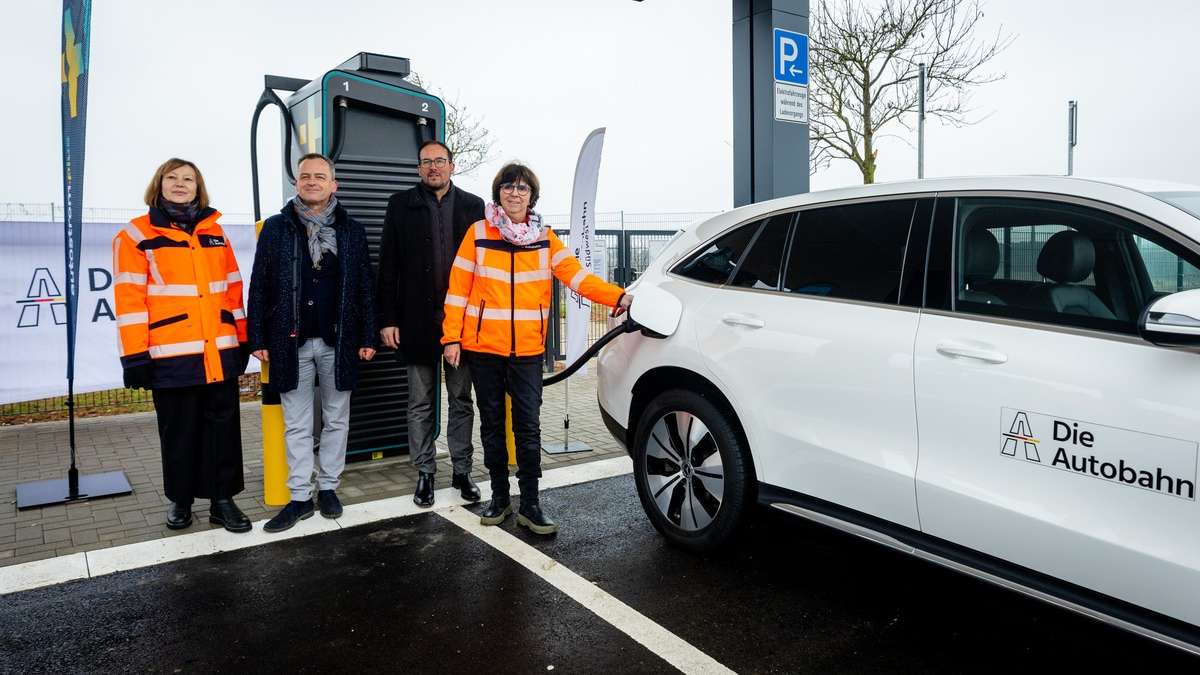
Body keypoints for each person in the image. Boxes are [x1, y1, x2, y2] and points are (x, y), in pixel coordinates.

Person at [442, 161, 633, 535]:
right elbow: (458, 289)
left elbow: (579, 277)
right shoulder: (478, 233)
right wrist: (451, 337)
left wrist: (619, 296)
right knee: (493, 426)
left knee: (528, 428)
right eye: (508, 187)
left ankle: (530, 503)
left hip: (527, 351)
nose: (515, 194)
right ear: (498, 193)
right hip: (483, 348)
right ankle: (500, 498)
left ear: (532, 196)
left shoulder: (546, 238)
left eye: (523, 188)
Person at [112, 158, 252, 533]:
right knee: (179, 432)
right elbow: (128, 300)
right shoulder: (135, 234)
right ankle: (181, 501)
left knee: (223, 430)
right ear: (159, 185)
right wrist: (134, 355)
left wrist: (242, 338)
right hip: (171, 355)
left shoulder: (216, 233)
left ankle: (223, 501)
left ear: (197, 187)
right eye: (172, 177)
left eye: (188, 179)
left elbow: (233, 291)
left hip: (219, 353)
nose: (180, 183)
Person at [247, 153, 378, 533]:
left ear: (334, 185)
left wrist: (369, 334)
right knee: (297, 424)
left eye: (321, 176)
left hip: (341, 341)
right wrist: (257, 336)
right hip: (291, 342)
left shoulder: (351, 230)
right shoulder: (275, 228)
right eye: (306, 176)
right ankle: (300, 497)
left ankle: (329, 488)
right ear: (297, 183)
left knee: (337, 419)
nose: (312, 182)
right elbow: (260, 285)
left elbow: (364, 286)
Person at [377, 141, 485, 507]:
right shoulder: (400, 204)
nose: (433, 167)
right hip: (416, 320)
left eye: (440, 161)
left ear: (452, 167)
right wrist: (388, 318)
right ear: (418, 169)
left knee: (460, 399)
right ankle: (424, 472)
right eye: (426, 162)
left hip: (462, 323)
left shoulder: (473, 206)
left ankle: (462, 470)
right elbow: (388, 264)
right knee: (419, 402)